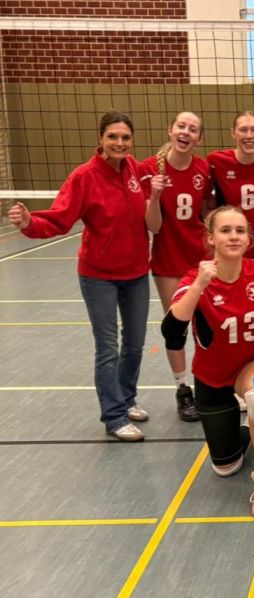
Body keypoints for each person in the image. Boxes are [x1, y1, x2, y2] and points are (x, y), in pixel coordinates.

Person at [8, 111, 150, 441]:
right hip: (99, 276)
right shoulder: (84, 177)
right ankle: (114, 417)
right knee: (108, 348)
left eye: (125, 137)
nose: (119, 143)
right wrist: (29, 223)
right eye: (113, 136)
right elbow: (59, 218)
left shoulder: (133, 169)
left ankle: (127, 399)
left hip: (136, 273)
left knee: (135, 344)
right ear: (101, 138)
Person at [162, 207, 254, 517]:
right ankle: (247, 429)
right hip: (212, 376)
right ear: (211, 238)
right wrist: (200, 284)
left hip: (252, 364)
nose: (233, 236)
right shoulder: (196, 278)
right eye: (226, 230)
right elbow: (171, 331)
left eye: (240, 231)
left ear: (249, 239)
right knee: (226, 467)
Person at [140, 111, 213, 423]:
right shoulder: (148, 169)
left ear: (199, 138)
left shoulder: (203, 168)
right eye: (181, 126)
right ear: (170, 130)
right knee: (176, 327)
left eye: (193, 129)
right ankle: (183, 389)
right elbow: (153, 226)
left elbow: (206, 210)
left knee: (206, 324)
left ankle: (208, 383)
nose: (186, 132)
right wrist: (156, 195)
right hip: (168, 258)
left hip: (199, 255)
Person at [207, 111, 254, 265]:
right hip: (228, 245)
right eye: (243, 130)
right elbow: (205, 199)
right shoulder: (216, 160)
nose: (249, 135)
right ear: (233, 133)